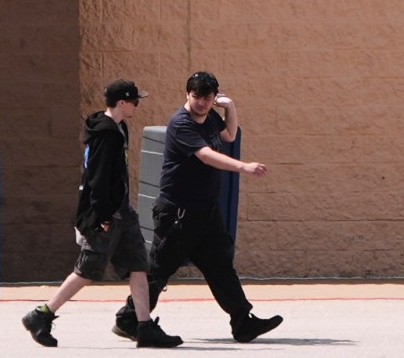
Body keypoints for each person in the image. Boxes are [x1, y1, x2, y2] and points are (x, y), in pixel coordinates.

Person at [117, 72, 282, 344]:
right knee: (159, 269)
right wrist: (243, 167)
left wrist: (230, 107)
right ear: (187, 94)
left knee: (220, 265)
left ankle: (243, 321)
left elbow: (229, 134)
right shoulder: (181, 123)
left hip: (205, 211)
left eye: (208, 98)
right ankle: (128, 318)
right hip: (178, 213)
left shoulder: (211, 116)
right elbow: (205, 156)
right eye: (197, 97)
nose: (202, 103)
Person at [22, 79, 183, 349]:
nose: (137, 105)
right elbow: (96, 178)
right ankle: (41, 315)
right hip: (106, 214)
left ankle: (144, 327)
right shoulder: (106, 134)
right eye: (135, 101)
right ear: (122, 102)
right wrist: (103, 216)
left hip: (122, 210)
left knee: (138, 266)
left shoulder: (119, 127)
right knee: (87, 270)